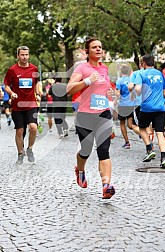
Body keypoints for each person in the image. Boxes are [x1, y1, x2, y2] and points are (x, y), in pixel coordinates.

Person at [66, 38, 115, 199]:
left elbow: (106, 92)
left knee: (103, 151)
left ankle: (106, 186)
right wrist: (87, 81)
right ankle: (80, 171)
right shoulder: (82, 68)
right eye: (94, 47)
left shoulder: (105, 69)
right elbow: (69, 89)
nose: (98, 49)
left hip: (103, 114)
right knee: (86, 150)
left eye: (100, 47)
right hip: (85, 115)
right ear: (87, 51)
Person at [4, 45, 41, 164]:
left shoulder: (34, 69)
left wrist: (38, 93)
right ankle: (20, 152)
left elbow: (36, 82)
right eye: (22, 55)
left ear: (28, 55)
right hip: (17, 105)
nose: (24, 57)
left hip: (31, 103)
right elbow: (6, 86)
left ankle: (29, 149)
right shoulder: (12, 70)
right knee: (19, 130)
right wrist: (11, 93)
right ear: (18, 56)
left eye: (26, 55)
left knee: (33, 127)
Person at [134, 54, 165, 168]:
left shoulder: (141, 74)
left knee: (142, 128)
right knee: (159, 132)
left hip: (147, 107)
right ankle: (163, 158)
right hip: (160, 107)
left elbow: (138, 90)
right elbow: (164, 93)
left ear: (143, 63)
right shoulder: (160, 74)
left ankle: (149, 148)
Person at [114, 64, 135, 149]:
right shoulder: (131, 80)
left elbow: (118, 94)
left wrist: (115, 100)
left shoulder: (119, 81)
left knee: (122, 123)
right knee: (130, 125)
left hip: (122, 105)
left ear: (121, 71)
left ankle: (127, 142)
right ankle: (141, 132)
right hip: (131, 104)